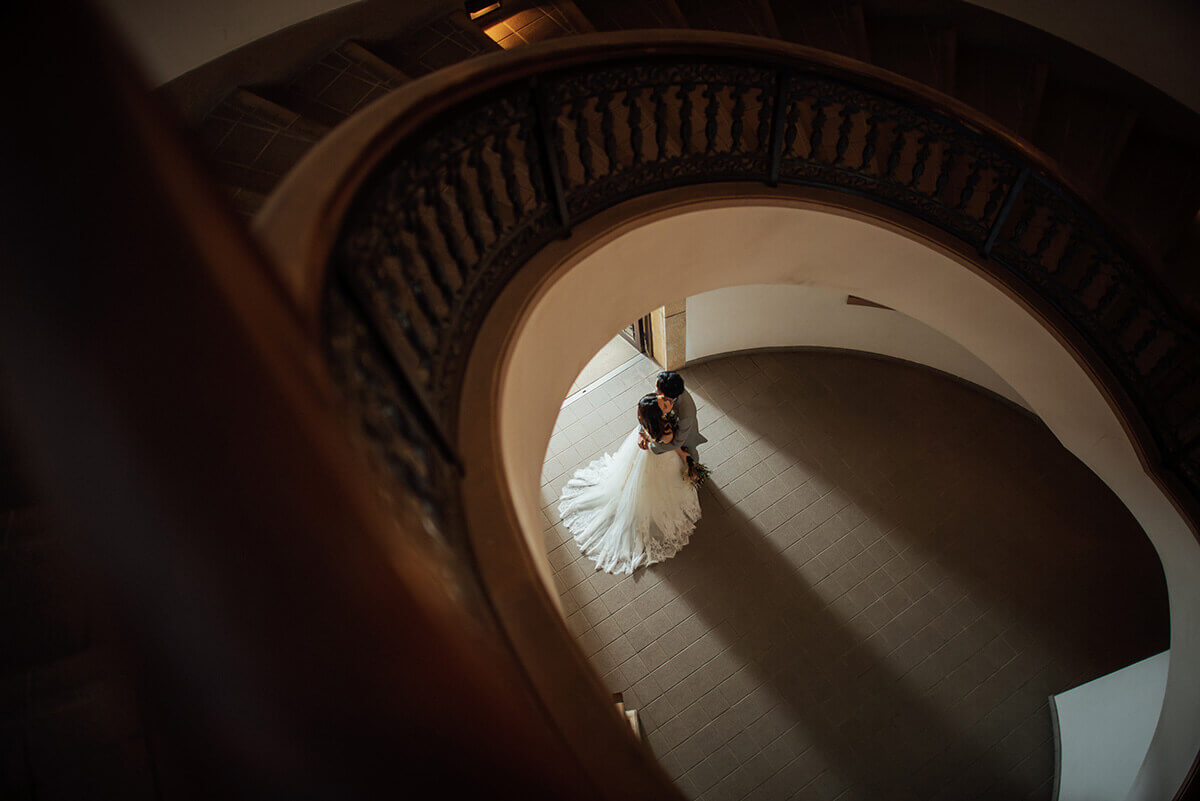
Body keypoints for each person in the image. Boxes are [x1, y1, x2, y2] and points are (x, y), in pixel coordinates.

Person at [559, 393, 701, 574]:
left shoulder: (646, 420)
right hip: (660, 456)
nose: (666, 401)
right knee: (658, 486)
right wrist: (683, 455)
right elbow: (672, 445)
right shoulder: (666, 432)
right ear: (659, 416)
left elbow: (644, 430)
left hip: (641, 450)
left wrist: (643, 435)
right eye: (663, 403)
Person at [638, 371, 708, 466]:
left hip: (684, 435)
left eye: (657, 388)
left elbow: (676, 443)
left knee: (690, 455)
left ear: (665, 396)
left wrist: (652, 446)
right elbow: (648, 410)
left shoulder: (687, 414)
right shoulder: (664, 394)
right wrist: (642, 433)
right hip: (660, 429)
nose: (655, 390)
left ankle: (695, 470)